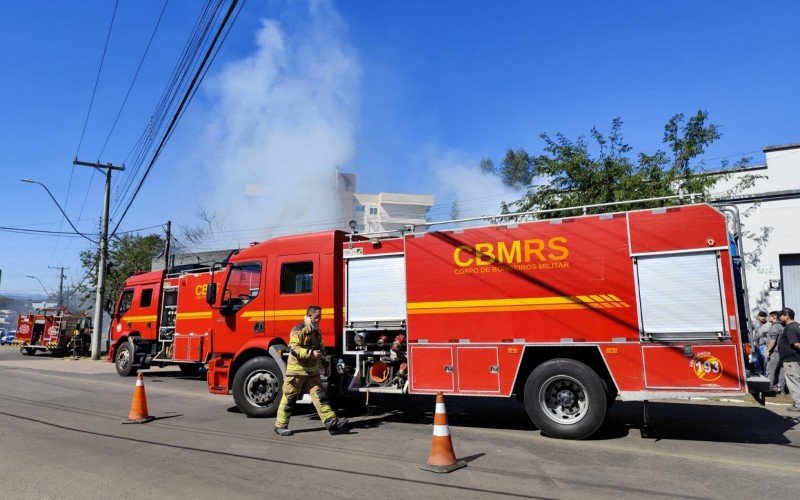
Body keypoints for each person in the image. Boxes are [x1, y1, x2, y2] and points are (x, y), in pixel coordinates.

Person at [274, 305, 348, 436]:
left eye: (320, 316)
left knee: (320, 397)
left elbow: (321, 350)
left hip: (312, 372)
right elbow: (293, 348)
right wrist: (310, 353)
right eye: (317, 316)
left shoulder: (316, 331)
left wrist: (326, 365)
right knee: (289, 398)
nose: (320, 319)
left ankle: (331, 423)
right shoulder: (299, 329)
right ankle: (280, 426)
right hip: (297, 372)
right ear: (309, 316)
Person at [777, 308, 800, 411]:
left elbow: (796, 344)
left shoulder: (790, 327)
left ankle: (798, 405)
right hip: (795, 359)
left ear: (787, 315)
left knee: (793, 382)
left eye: (781, 315)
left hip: (791, 360)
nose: (780, 317)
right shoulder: (797, 325)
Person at [765, 310, 786, 392]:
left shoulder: (774, 327)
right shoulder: (782, 326)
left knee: (771, 371)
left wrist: (768, 350)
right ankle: (782, 389)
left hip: (775, 352)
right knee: (781, 371)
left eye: (769, 316)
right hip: (783, 352)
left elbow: (773, 341)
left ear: (774, 317)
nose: (768, 318)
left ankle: (769, 389)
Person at [751, 311, 770, 375]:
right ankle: (759, 373)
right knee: (757, 360)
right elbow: (749, 330)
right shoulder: (755, 323)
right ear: (758, 316)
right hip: (756, 345)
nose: (763, 317)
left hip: (764, 345)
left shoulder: (769, 324)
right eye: (761, 316)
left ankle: (766, 374)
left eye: (765, 316)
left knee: (765, 361)